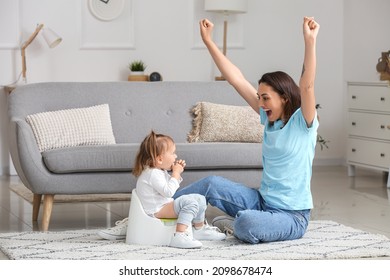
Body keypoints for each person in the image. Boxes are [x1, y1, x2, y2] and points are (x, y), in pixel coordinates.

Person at [172, 16, 320, 244]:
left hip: (292, 216)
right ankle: (158, 211)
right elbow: (236, 79)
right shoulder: (269, 119)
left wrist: (309, 42)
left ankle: (238, 223)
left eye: (266, 98)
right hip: (261, 201)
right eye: (259, 97)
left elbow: (307, 85)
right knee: (211, 183)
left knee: (246, 223)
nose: (260, 103)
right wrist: (208, 41)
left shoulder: (304, 122)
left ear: (284, 97)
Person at [98, 131, 225, 248]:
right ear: (159, 159)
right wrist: (176, 174)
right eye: (172, 153)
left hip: (163, 206)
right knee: (190, 202)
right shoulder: (152, 173)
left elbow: (167, 190)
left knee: (200, 198)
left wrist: (176, 173)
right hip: (156, 210)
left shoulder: (158, 171)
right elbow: (169, 192)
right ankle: (179, 236)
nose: (175, 156)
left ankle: (199, 229)